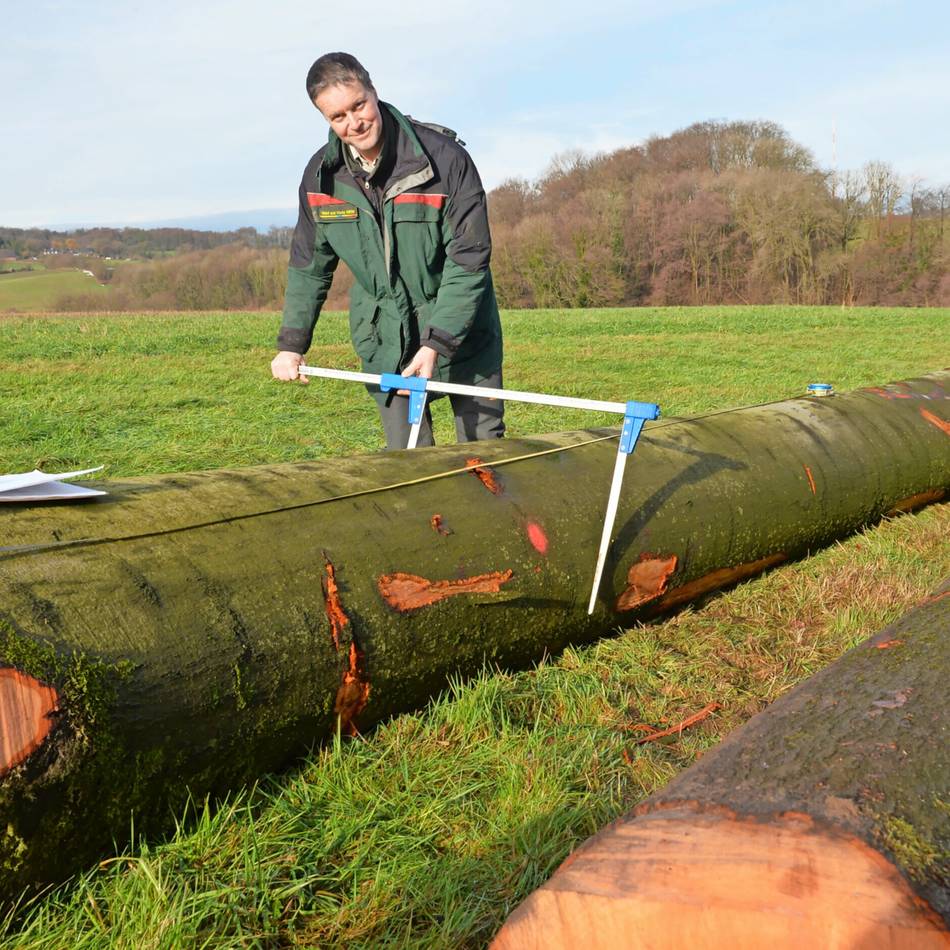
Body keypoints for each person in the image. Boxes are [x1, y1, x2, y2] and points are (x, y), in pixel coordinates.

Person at [271, 52, 505, 449]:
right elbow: (309, 268)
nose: (354, 123)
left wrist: (437, 343)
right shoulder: (321, 178)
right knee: (407, 462)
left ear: (373, 92)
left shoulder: (446, 161)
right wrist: (291, 346)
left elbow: (469, 260)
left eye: (358, 105)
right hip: (386, 342)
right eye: (337, 116)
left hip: (463, 337)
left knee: (483, 456)